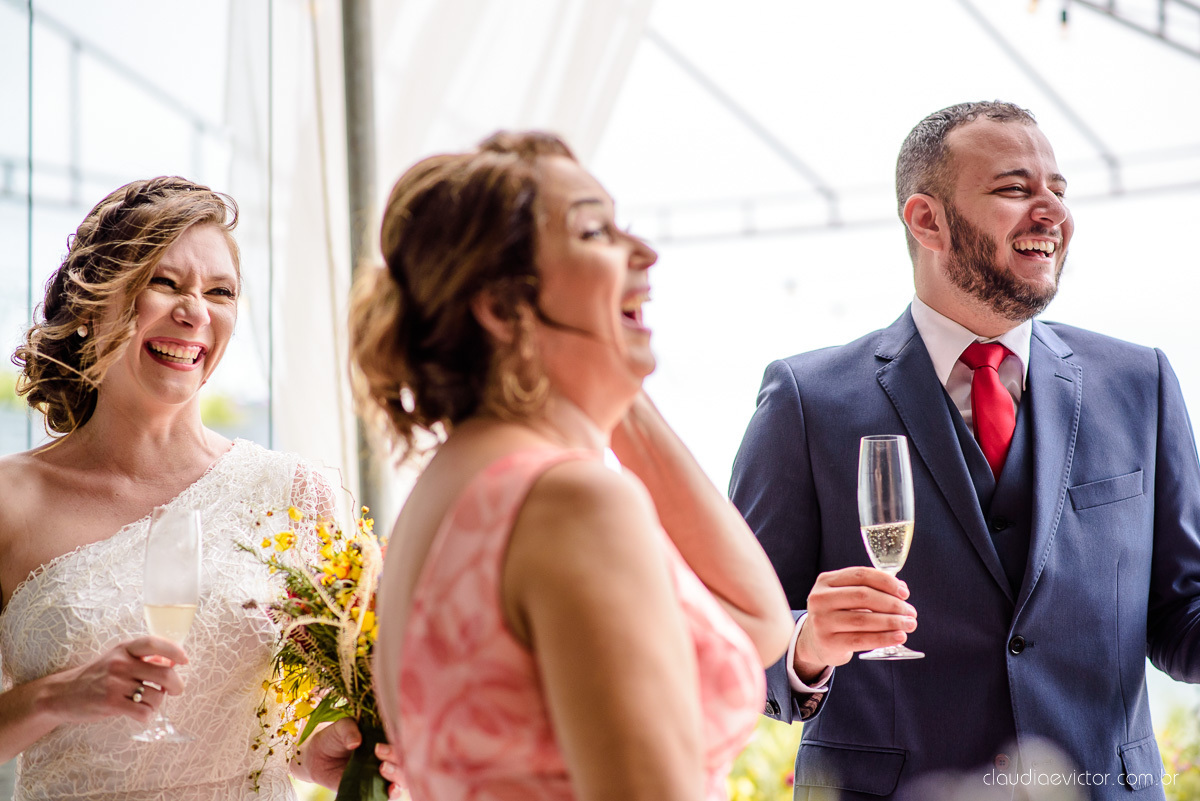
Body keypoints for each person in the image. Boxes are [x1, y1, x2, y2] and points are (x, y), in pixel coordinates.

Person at [730, 101, 1200, 800]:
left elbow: (1179, 612)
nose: (1052, 214)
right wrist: (805, 646)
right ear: (927, 220)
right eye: (1015, 189)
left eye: (1058, 191)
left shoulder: (1141, 382)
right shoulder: (807, 400)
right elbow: (737, 633)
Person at [351, 131, 793, 801]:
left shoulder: (457, 484)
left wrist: (599, 385)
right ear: (502, 305)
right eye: (595, 232)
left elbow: (759, 626)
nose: (643, 252)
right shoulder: (570, 501)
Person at [0, 177, 382, 800]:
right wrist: (58, 696)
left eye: (220, 292)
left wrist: (320, 752)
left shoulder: (292, 493)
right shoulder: (10, 500)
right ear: (92, 304)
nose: (195, 312)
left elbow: (289, 725)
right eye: (165, 283)